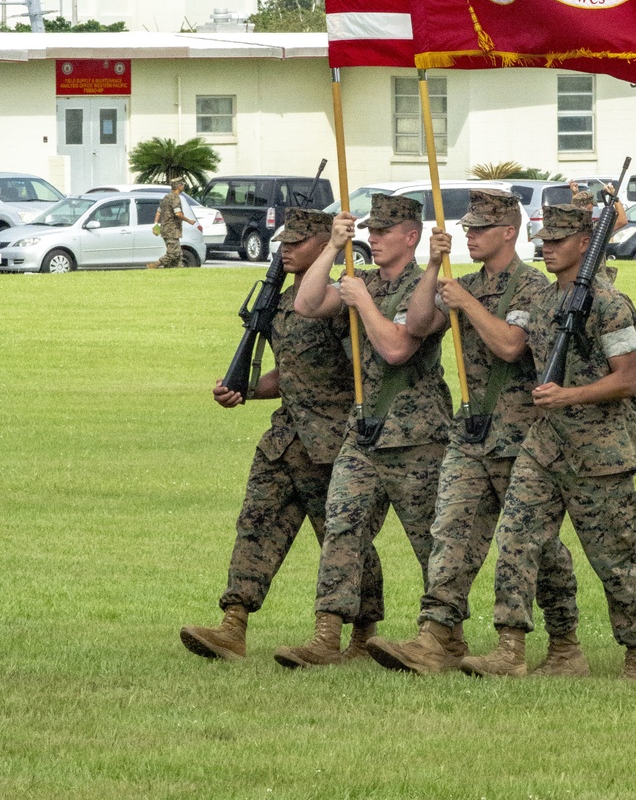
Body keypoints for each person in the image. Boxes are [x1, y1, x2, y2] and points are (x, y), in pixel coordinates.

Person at [365, 190, 583, 677]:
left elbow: (511, 345)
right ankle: (434, 637)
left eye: (480, 229)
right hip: (470, 435)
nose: (470, 235)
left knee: (532, 544)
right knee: (451, 532)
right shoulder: (458, 281)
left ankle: (562, 644)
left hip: (521, 435)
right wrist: (433, 267)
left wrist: (466, 303)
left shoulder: (532, 288)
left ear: (509, 232)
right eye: (467, 228)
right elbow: (420, 323)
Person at [460, 202, 636, 681]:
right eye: (543, 241)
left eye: (557, 241)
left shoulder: (612, 306)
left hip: (599, 454)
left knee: (615, 559)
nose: (546, 248)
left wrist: (569, 396)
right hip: (544, 447)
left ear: (584, 244)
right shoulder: (545, 302)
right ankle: (514, 649)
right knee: (517, 541)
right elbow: (511, 346)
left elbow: (626, 380)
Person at [180, 208, 384, 662]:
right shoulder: (279, 304)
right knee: (256, 525)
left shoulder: (339, 301)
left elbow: (368, 371)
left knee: (344, 540)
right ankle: (233, 625)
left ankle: (362, 634)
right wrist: (245, 389)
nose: (285, 250)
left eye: (297, 243)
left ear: (322, 244)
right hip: (286, 438)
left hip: (333, 441)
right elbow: (290, 374)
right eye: (283, 244)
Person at [281, 193, 453, 668]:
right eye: (369, 231)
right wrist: (334, 248)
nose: (372, 239)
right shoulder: (364, 281)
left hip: (416, 435)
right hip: (365, 433)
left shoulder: (432, 285)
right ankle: (326, 635)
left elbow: (398, 349)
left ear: (411, 237)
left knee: (430, 542)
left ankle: (442, 636)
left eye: (382, 232)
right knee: (341, 528)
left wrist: (362, 304)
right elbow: (307, 303)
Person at [148, 178, 190, 269]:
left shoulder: (166, 197)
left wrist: (155, 225)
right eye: (182, 185)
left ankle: (175, 271)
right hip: (172, 230)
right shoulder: (175, 198)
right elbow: (178, 213)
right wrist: (189, 221)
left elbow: (158, 212)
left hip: (165, 229)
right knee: (173, 253)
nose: (183, 187)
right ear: (179, 186)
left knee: (178, 254)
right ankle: (155, 265)